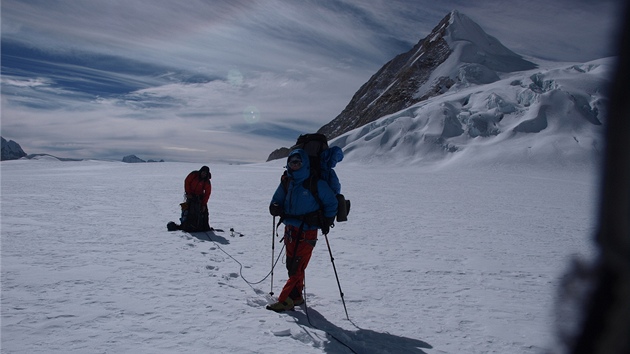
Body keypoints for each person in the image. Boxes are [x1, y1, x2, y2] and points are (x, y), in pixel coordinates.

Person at [267, 149, 338, 312]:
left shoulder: (315, 183)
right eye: (292, 162)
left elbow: (331, 203)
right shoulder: (287, 181)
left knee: (296, 267)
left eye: (298, 162)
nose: (295, 165)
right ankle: (296, 296)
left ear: (304, 163)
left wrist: (327, 221)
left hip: (307, 231)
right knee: (292, 265)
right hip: (290, 230)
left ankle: (285, 299)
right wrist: (274, 207)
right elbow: (276, 199)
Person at [182, 165, 212, 231]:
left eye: (205, 173)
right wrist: (188, 193)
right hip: (190, 195)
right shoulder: (194, 174)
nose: (204, 174)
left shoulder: (207, 181)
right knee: (187, 209)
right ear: (200, 171)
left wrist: (204, 204)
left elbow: (207, 193)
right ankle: (186, 224)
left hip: (199, 196)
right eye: (203, 172)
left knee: (204, 212)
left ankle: (204, 226)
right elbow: (187, 182)